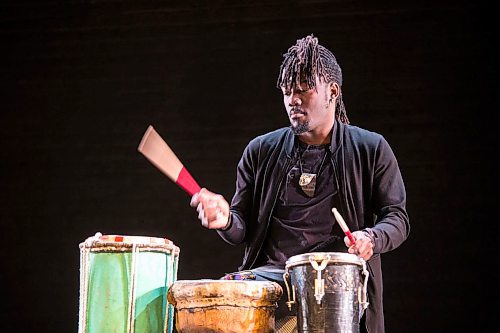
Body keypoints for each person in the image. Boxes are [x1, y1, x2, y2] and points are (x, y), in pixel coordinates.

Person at [190, 34, 410, 333]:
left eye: (303, 90)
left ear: (332, 92)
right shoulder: (260, 150)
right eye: (286, 91)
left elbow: (397, 218)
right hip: (271, 279)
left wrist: (371, 238)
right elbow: (241, 229)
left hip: (336, 282)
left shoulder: (369, 148)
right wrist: (225, 218)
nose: (292, 99)